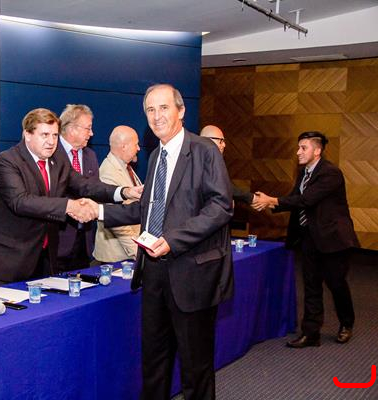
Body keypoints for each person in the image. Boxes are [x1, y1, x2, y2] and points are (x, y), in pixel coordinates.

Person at [100, 84, 233, 400]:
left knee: (195, 368)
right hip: (154, 272)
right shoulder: (155, 155)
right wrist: (99, 212)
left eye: (163, 108)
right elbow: (150, 208)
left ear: (181, 111)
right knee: (154, 361)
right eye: (150, 109)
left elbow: (220, 206)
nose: (157, 116)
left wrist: (172, 240)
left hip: (192, 274)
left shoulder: (204, 150)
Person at [0, 108, 141, 285]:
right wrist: (69, 206)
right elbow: (21, 201)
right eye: (45, 135)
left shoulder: (57, 159)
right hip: (8, 259)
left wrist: (124, 191)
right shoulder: (7, 161)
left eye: (55, 135)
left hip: (43, 259)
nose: (51, 142)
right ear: (27, 134)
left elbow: (84, 185)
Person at [253, 131, 358, 347]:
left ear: (317, 151)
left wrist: (270, 200)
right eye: (298, 147)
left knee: (336, 284)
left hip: (333, 239)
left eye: (303, 148)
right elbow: (295, 197)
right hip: (309, 236)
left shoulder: (330, 173)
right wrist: (269, 204)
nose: (298, 152)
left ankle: (347, 324)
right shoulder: (304, 173)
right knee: (311, 285)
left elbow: (306, 200)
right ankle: (311, 333)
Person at [55, 104, 99, 271]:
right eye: (88, 128)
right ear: (72, 129)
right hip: (57, 240)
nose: (91, 133)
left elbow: (94, 190)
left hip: (84, 241)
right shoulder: (52, 152)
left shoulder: (91, 156)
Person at [93, 125, 142, 263]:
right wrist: (137, 253)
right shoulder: (108, 172)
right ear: (124, 146)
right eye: (136, 144)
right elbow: (116, 221)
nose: (139, 148)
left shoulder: (125, 167)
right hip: (117, 257)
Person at [200, 124, 255, 205]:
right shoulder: (197, 162)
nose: (224, 145)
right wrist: (252, 198)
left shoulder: (214, 161)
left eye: (224, 141)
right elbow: (222, 187)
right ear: (207, 140)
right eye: (220, 141)